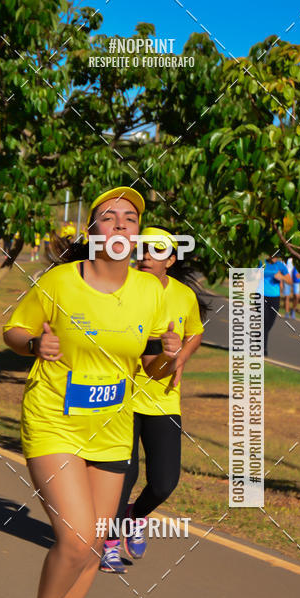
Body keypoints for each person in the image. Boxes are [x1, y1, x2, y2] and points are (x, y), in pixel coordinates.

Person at [3, 187, 178, 598]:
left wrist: (166, 352)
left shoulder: (151, 292)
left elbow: (152, 367)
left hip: (112, 426)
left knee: (97, 540)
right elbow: (13, 331)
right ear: (93, 231)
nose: (120, 224)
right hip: (53, 418)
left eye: (129, 218)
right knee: (76, 537)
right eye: (108, 217)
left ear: (137, 234)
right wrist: (36, 342)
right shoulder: (60, 281)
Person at [99, 227, 205, 572]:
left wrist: (182, 358)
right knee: (123, 476)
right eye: (142, 249)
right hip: (121, 398)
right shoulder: (120, 287)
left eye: (156, 252)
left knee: (164, 482)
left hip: (163, 400)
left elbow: (196, 332)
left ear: (171, 260)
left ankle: (135, 516)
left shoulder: (183, 296)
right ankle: (109, 545)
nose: (145, 256)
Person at [260, 255, 291, 356]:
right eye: (273, 255)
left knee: (269, 324)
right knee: (264, 322)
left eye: (277, 256)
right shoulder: (261, 263)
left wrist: (281, 277)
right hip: (261, 295)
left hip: (275, 298)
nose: (275, 258)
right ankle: (263, 349)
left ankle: (258, 337)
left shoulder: (280, 266)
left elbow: (290, 281)